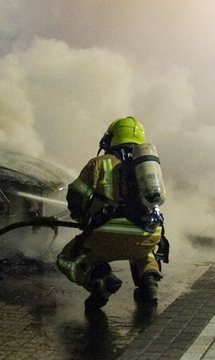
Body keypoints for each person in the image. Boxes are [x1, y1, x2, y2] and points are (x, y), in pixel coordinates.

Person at [56, 117, 168, 311]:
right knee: (144, 251)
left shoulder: (100, 163)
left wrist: (82, 218)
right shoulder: (147, 166)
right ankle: (149, 282)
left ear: (111, 138)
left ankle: (101, 280)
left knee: (66, 258)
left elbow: (76, 196)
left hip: (106, 237)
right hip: (148, 235)